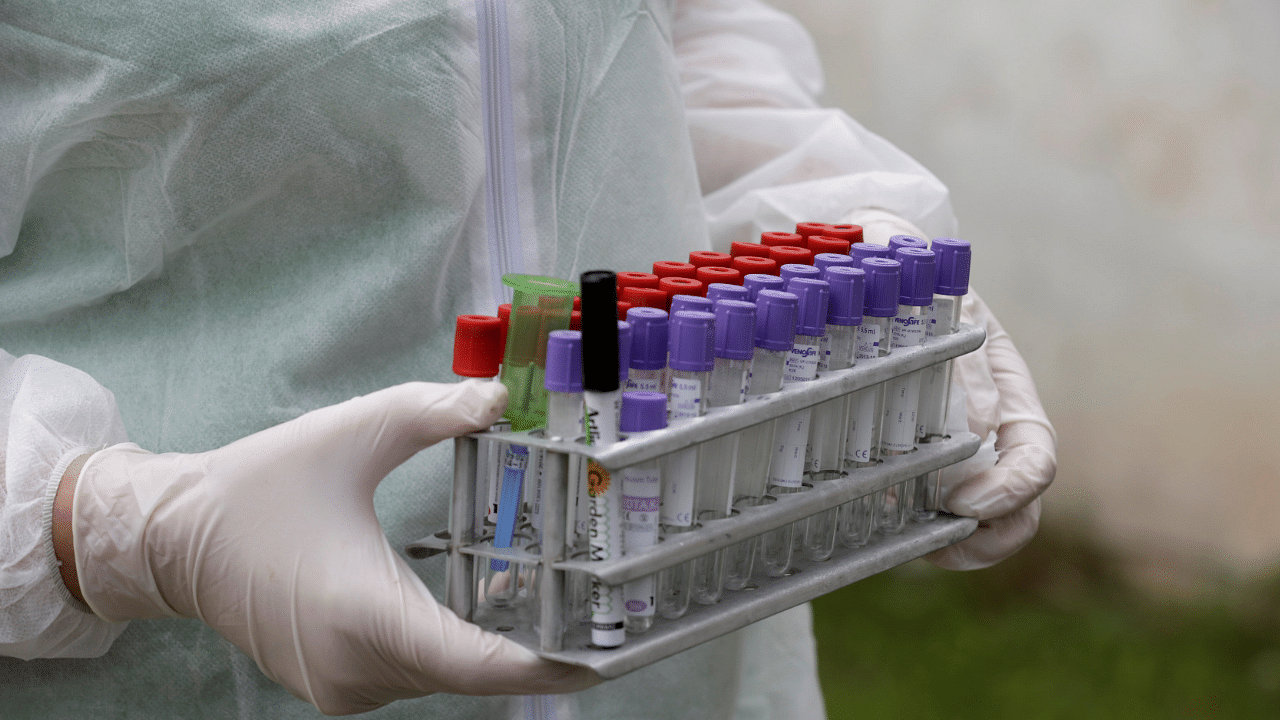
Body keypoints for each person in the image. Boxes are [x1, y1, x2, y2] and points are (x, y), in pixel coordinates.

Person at [0, 0, 1055, 717]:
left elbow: (681, 31)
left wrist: (848, 247)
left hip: (671, 644)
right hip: (177, 668)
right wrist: (108, 527)